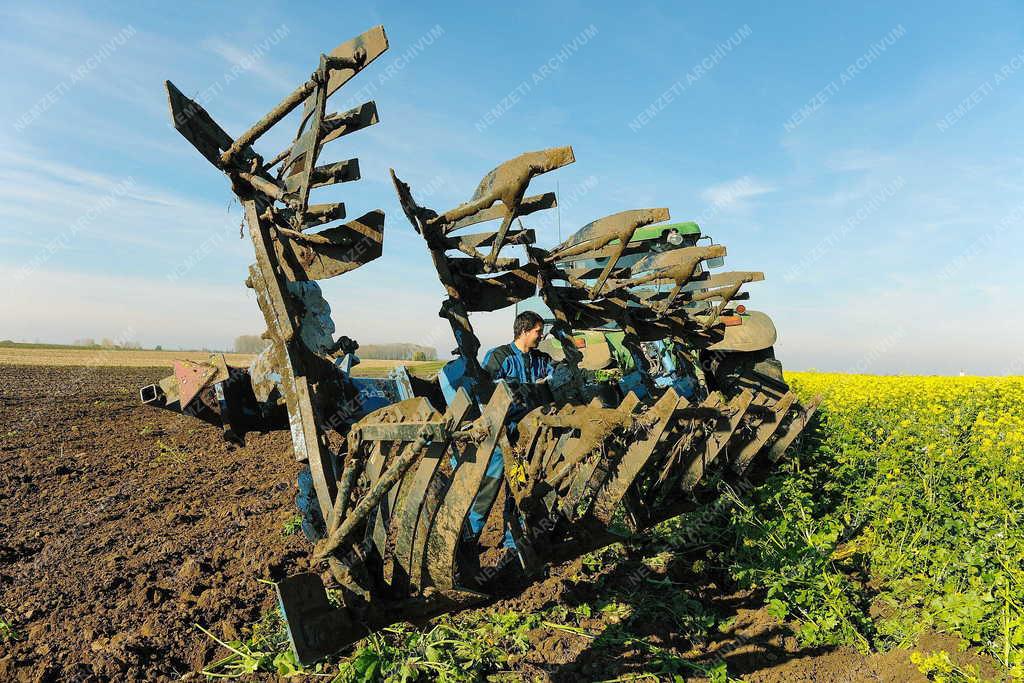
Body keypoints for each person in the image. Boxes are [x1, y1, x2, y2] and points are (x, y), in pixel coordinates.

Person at [465, 310, 553, 548]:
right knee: (488, 489)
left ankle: (512, 541)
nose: (541, 335)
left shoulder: (542, 360)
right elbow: (483, 390)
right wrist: (514, 388)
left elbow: (554, 379)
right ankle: (468, 538)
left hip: (524, 440)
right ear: (524, 331)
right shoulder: (499, 356)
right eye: (537, 331)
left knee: (519, 488)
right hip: (500, 437)